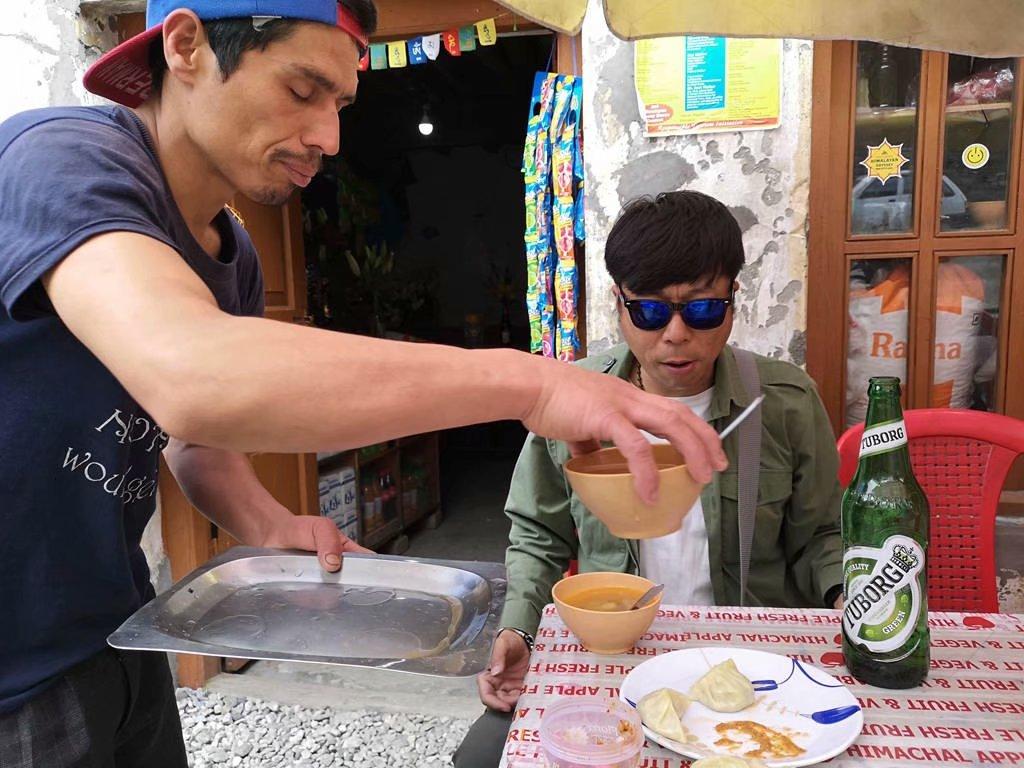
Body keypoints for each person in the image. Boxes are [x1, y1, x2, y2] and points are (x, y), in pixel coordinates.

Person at [0, 3, 727, 765]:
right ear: (186, 47)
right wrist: (532, 385)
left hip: (112, 627)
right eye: (303, 89)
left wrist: (271, 523)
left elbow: (196, 443)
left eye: (340, 104)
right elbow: (191, 376)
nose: (329, 137)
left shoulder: (232, 255)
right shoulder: (61, 157)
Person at [453, 191, 844, 768]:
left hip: (748, 669)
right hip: (613, 656)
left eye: (703, 309)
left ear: (734, 301)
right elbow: (538, 534)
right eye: (652, 312)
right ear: (619, 304)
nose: (677, 334)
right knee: (480, 759)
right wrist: (521, 634)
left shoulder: (781, 402)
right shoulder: (572, 401)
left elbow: (821, 537)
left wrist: (847, 598)